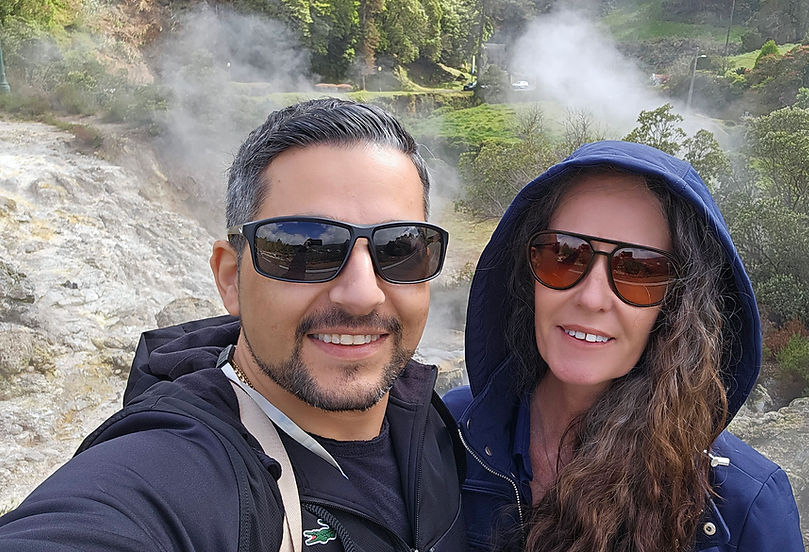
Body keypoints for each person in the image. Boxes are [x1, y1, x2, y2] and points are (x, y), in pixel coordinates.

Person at [0, 98, 467, 551]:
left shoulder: (445, 424)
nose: (363, 293)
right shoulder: (176, 470)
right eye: (306, 247)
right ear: (230, 278)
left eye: (399, 248)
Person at [444, 140, 804, 551]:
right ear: (528, 276)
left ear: (677, 305)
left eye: (638, 268)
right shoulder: (451, 435)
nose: (592, 298)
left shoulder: (743, 507)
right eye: (564, 255)